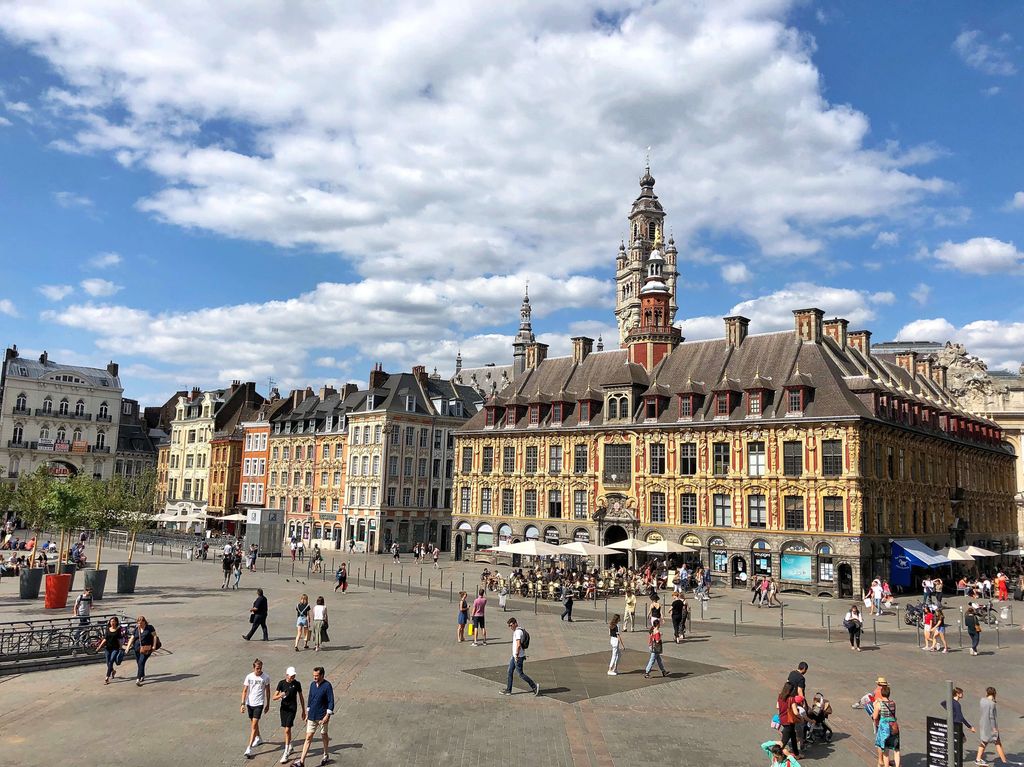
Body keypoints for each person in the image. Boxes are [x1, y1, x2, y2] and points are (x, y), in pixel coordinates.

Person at [292, 666, 334, 767]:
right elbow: (310, 698)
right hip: (312, 715)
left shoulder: (327, 686)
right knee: (308, 737)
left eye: (316, 676)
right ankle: (302, 761)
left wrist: (327, 715)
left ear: (322, 675)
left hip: (322, 716)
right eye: (314, 675)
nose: (314, 677)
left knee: (324, 735)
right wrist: (307, 712)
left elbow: (331, 701)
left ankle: (325, 754)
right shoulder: (312, 685)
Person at [499, 617, 539, 696]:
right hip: (515, 656)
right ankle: (508, 690)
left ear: (515, 623)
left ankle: (534, 686)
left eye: (511, 625)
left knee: (520, 674)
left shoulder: (517, 632)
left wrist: (516, 655)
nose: (510, 627)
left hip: (518, 657)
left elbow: (518, 645)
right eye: (509, 626)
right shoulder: (519, 630)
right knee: (509, 671)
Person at [274, 666, 306, 764]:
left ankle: (286, 752)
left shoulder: (297, 684)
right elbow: (274, 697)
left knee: (287, 729)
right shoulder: (281, 683)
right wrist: (281, 695)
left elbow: (301, 697)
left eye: (294, 675)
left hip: (292, 708)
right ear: (287, 675)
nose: (293, 677)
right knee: (287, 729)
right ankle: (290, 745)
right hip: (284, 709)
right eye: (291, 676)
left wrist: (303, 710)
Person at [241, 658, 271, 759]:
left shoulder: (265, 677)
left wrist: (267, 704)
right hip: (250, 703)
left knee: (254, 725)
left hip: (259, 703)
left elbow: (267, 691)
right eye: (257, 668)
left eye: (260, 668)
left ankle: (248, 748)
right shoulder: (249, 677)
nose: (259, 670)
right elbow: (245, 690)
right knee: (254, 723)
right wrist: (242, 704)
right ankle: (259, 738)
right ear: (254, 668)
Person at [939, 686, 974, 767]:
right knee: (961, 740)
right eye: (961, 693)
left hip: (950, 723)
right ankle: (952, 755)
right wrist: (970, 727)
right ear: (958, 694)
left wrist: (950, 711)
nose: (962, 694)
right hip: (956, 725)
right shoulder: (957, 704)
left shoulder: (950, 701)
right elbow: (961, 717)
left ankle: (951, 752)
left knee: (959, 740)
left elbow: (942, 703)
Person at [977, 687, 1010, 766]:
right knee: (997, 742)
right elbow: (991, 717)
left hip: (983, 723)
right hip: (990, 726)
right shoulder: (992, 704)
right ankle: (1004, 761)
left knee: (984, 741)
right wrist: (994, 728)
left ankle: (978, 759)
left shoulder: (982, 700)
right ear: (994, 693)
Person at [124, 615, 157, 686]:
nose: (140, 624)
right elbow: (132, 638)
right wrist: (127, 647)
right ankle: (142, 675)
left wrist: (154, 645)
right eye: (138, 623)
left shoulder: (149, 628)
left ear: (144, 622)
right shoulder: (136, 629)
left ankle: (138, 679)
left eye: (141, 623)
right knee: (139, 663)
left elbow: (154, 636)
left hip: (147, 648)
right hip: (137, 649)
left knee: (141, 662)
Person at [872, 683, 900, 767]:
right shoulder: (893, 703)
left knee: (886, 751)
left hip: (885, 728)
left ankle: (886, 765)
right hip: (894, 727)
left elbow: (875, 716)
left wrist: (875, 706)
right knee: (896, 750)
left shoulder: (879, 704)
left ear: (881, 693)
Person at [777, 681, 801, 760]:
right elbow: (795, 712)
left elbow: (777, 706)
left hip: (782, 719)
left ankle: (796, 754)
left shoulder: (780, 696)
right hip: (789, 721)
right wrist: (801, 717)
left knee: (793, 737)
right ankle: (776, 754)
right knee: (783, 742)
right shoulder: (791, 699)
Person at [97, 615, 122, 685]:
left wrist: (121, 648)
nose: (112, 623)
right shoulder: (107, 629)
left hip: (115, 648)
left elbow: (119, 639)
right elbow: (105, 639)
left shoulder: (118, 629)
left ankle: (107, 677)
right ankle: (113, 671)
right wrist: (99, 647)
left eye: (113, 621)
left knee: (111, 661)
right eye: (111, 621)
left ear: (116, 622)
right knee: (108, 662)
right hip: (108, 648)